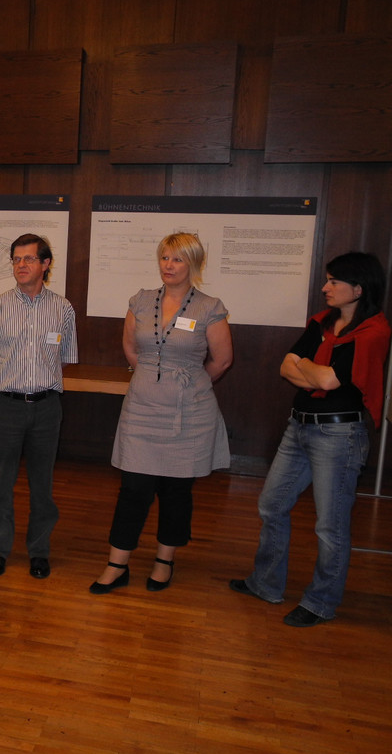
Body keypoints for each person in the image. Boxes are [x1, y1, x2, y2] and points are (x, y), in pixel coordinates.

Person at [230, 252, 390, 627]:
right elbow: (286, 366)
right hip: (299, 426)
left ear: (358, 289)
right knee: (272, 505)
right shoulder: (322, 323)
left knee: (330, 525)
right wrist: (310, 369)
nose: (325, 288)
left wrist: (305, 366)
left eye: (334, 281)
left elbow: (328, 380)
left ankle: (320, 602)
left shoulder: (373, 332)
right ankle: (265, 583)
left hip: (339, 434)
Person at [90, 232, 232, 595]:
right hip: (142, 408)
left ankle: (164, 561)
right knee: (133, 489)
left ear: (194, 264)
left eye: (178, 259)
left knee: (176, 491)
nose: (169, 265)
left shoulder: (209, 307)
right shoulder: (140, 301)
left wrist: (188, 384)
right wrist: (153, 378)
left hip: (188, 414)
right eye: (165, 258)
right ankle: (116, 564)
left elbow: (221, 360)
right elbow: (130, 347)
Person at [0, 233, 77, 580]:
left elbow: (65, 357)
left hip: (47, 408)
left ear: (45, 264)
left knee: (42, 485)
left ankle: (39, 551)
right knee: (1, 484)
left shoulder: (63, 309)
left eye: (29, 259)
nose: (21, 265)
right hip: (5, 406)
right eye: (16, 259)